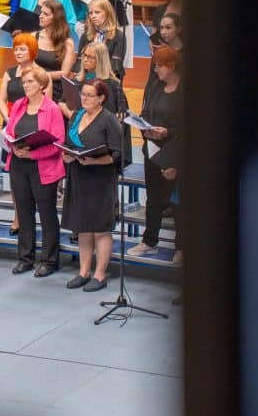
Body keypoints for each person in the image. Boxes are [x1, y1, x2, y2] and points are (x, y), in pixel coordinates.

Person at [60, 79, 125, 292]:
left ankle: (100, 274)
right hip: (79, 176)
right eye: (83, 94)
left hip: (101, 179)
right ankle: (84, 271)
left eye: (89, 95)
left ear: (101, 98)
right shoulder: (77, 116)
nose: (84, 98)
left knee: (100, 228)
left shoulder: (109, 120)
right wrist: (67, 155)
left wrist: (94, 161)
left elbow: (117, 154)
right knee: (83, 226)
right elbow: (68, 144)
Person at [4, 66, 66, 277]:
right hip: (19, 165)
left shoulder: (52, 109)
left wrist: (33, 154)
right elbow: (9, 132)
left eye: (30, 81)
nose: (25, 85)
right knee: (24, 212)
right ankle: (25, 258)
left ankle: (49, 260)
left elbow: (58, 142)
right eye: (24, 82)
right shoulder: (19, 105)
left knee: (47, 214)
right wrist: (12, 145)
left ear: (41, 85)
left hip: (43, 167)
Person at [128, 45, 184, 264]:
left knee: (177, 203)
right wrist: (145, 128)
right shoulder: (155, 86)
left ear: (171, 66)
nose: (156, 70)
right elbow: (146, 112)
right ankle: (149, 241)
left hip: (175, 152)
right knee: (153, 198)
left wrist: (167, 132)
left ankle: (181, 246)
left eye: (159, 66)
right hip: (152, 149)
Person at [0, 32, 52, 236]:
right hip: (12, 127)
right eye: (16, 49)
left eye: (22, 48)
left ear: (33, 51)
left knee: (34, 176)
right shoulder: (9, 73)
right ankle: (18, 215)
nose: (18, 52)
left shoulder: (42, 74)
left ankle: (34, 214)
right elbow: (1, 99)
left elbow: (48, 103)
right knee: (15, 177)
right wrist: (9, 118)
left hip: (33, 128)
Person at [82, 0, 134, 69]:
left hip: (112, 50)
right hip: (91, 50)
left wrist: (126, 61)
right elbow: (83, 24)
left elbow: (127, 30)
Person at [63, 42, 128, 118]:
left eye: (90, 57)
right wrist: (72, 116)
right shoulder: (76, 80)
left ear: (100, 60)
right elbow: (62, 102)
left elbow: (122, 114)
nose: (85, 60)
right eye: (85, 55)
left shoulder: (113, 85)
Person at [34, 0, 76, 101]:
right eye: (41, 12)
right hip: (34, 84)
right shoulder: (34, 37)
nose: (41, 16)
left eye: (46, 14)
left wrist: (43, 76)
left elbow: (65, 73)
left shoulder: (67, 43)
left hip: (55, 88)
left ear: (56, 18)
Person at [76, 0, 128, 79]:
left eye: (97, 12)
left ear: (108, 13)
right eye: (91, 13)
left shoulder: (118, 36)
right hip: (87, 78)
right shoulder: (86, 36)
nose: (93, 16)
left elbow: (115, 66)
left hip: (109, 79)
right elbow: (79, 62)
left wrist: (97, 80)